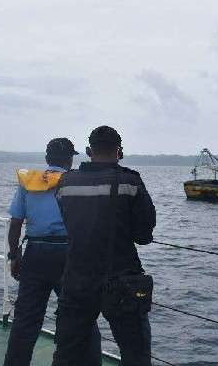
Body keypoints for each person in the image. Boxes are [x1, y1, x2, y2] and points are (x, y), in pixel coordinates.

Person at [52, 126, 156, 366]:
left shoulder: (66, 183)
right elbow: (143, 234)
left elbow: (69, 221)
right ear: (119, 152)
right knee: (135, 353)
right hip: (121, 280)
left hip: (76, 279)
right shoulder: (131, 181)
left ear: (89, 151)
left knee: (67, 353)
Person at [4, 138, 102, 366]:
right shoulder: (77, 182)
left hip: (36, 253)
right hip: (70, 254)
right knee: (81, 314)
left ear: (47, 158)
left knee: (26, 319)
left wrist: (13, 255)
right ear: (70, 160)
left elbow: (16, 223)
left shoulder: (28, 183)